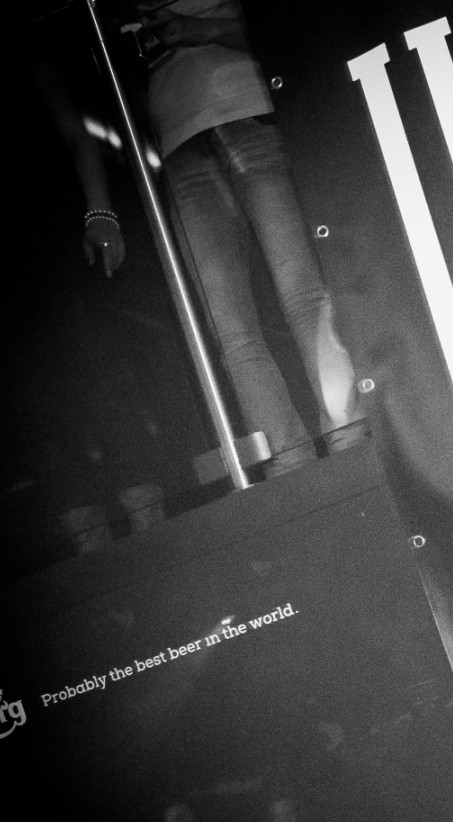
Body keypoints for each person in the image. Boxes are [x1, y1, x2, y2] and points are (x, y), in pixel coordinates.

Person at [133, 0, 365, 476]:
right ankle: (289, 459)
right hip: (177, 143)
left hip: (243, 111)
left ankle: (348, 437)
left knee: (302, 294)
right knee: (231, 328)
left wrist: (200, 29)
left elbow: (281, 22)